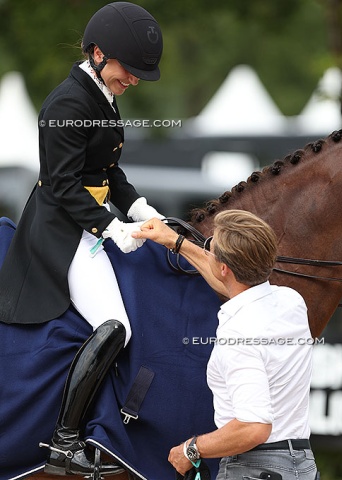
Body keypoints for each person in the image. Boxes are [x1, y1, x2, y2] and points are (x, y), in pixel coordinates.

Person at [0, 2, 164, 476]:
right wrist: (111, 227)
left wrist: (140, 209)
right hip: (60, 229)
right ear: (97, 54)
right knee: (117, 325)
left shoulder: (102, 95)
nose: (132, 79)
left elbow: (108, 171)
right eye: (128, 70)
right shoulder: (67, 105)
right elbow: (65, 184)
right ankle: (64, 440)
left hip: (84, 218)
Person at [132, 210, 319, 480]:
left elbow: (254, 427)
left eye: (211, 247)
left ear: (224, 268)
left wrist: (191, 449)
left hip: (255, 469)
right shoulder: (291, 301)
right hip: (301, 465)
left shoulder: (239, 333)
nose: (207, 250)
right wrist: (175, 241)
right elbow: (233, 283)